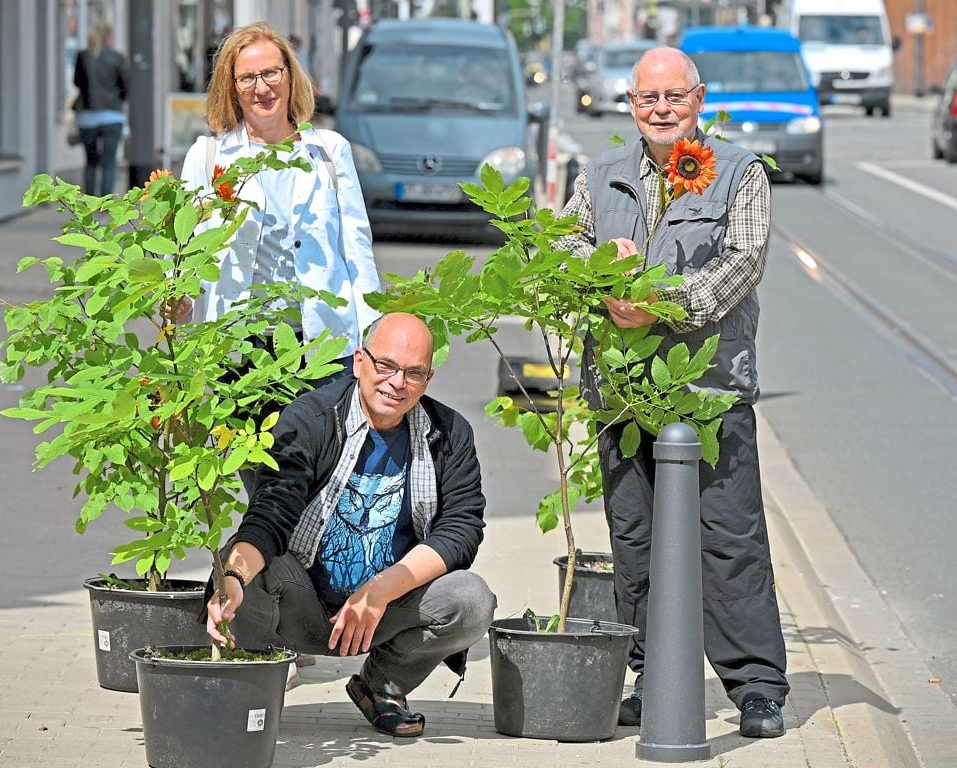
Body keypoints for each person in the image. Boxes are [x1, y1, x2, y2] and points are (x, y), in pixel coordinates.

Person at [557, 46, 789, 739]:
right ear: (630, 105)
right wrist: (603, 272)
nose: (660, 111)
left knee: (730, 539)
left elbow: (743, 260)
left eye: (673, 97)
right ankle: (651, 675)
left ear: (699, 98)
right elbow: (563, 248)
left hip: (709, 391)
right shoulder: (598, 177)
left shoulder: (740, 172)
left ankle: (755, 686)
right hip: (624, 395)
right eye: (646, 99)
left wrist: (664, 306)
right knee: (635, 541)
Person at [206, 312, 496, 738]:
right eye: (386, 366)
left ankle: (380, 686)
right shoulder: (311, 418)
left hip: (384, 609)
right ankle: (251, 690)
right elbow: (272, 512)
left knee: (471, 600)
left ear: (427, 379)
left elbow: (461, 528)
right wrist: (232, 576)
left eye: (413, 373)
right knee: (242, 571)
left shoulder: (449, 433)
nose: (397, 383)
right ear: (360, 360)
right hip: (300, 600)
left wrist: (380, 590)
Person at [179, 22, 380, 412]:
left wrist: (374, 341)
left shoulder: (328, 152)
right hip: (239, 350)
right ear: (231, 88)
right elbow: (187, 252)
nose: (262, 87)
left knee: (322, 469)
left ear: (290, 74)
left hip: (324, 349)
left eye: (271, 72)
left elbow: (357, 252)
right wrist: (180, 301)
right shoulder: (208, 158)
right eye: (247, 78)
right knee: (256, 467)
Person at [73, 24, 128, 196]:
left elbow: (77, 82)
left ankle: (89, 205)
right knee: (109, 163)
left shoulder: (82, 56)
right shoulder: (117, 57)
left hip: (87, 117)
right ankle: (105, 207)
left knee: (90, 162)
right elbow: (125, 85)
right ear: (109, 38)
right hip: (112, 116)